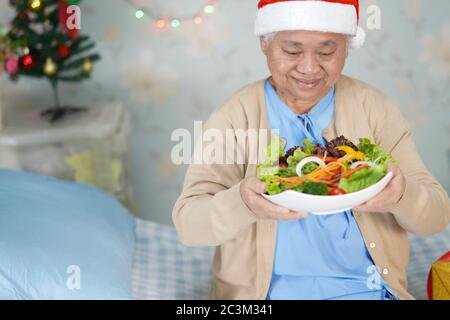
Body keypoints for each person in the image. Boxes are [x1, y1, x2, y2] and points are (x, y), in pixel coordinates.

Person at [172, 0, 450, 300]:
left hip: (366, 292)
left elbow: (436, 215)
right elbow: (189, 224)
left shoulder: (373, 108)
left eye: (326, 51)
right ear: (265, 45)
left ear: (347, 47)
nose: (308, 68)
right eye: (291, 51)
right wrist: (243, 203)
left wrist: (402, 196)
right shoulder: (234, 116)